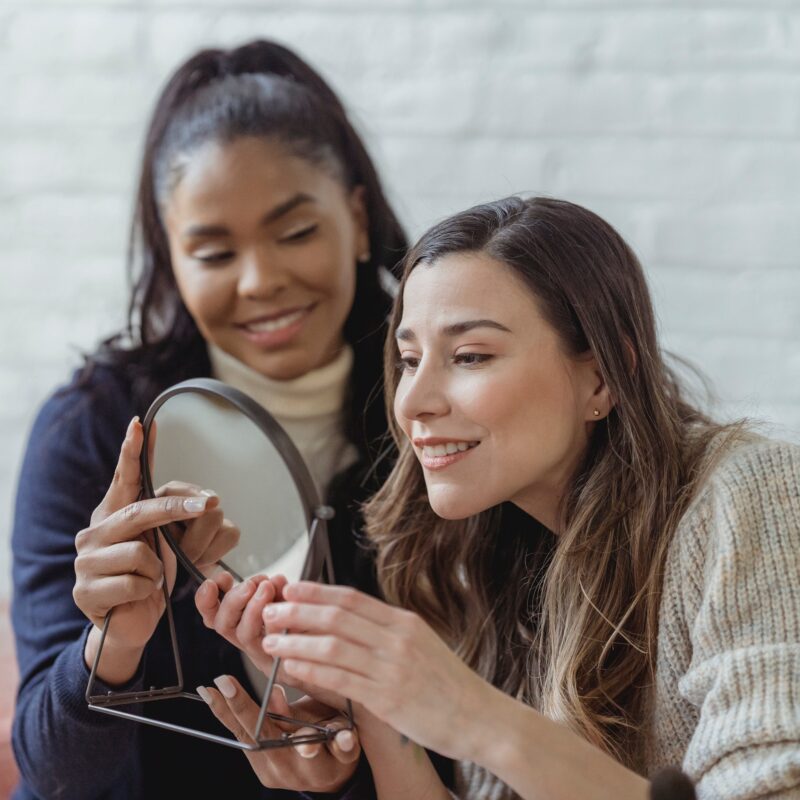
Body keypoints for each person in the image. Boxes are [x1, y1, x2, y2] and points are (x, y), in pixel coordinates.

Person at [206, 196, 800, 799]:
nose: (412, 402)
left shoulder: (752, 494)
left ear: (602, 376)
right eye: (410, 360)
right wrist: (379, 709)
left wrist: (474, 716)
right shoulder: (480, 560)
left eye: (470, 356)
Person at [10, 39, 409, 800]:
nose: (261, 281)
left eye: (295, 233)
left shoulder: (432, 417)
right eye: (215, 252)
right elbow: (52, 772)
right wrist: (112, 645)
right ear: (172, 259)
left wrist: (343, 770)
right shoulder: (94, 431)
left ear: (356, 220)